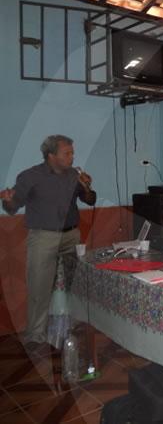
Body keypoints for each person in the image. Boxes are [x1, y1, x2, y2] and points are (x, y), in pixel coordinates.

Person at [1, 135, 96, 350]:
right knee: (39, 287)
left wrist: (88, 186)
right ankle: (36, 336)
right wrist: (8, 200)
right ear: (51, 155)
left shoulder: (74, 175)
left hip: (71, 235)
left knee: (75, 284)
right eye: (67, 153)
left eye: (72, 152)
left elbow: (90, 200)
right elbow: (13, 206)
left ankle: (69, 326)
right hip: (43, 238)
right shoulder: (30, 176)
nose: (72, 157)